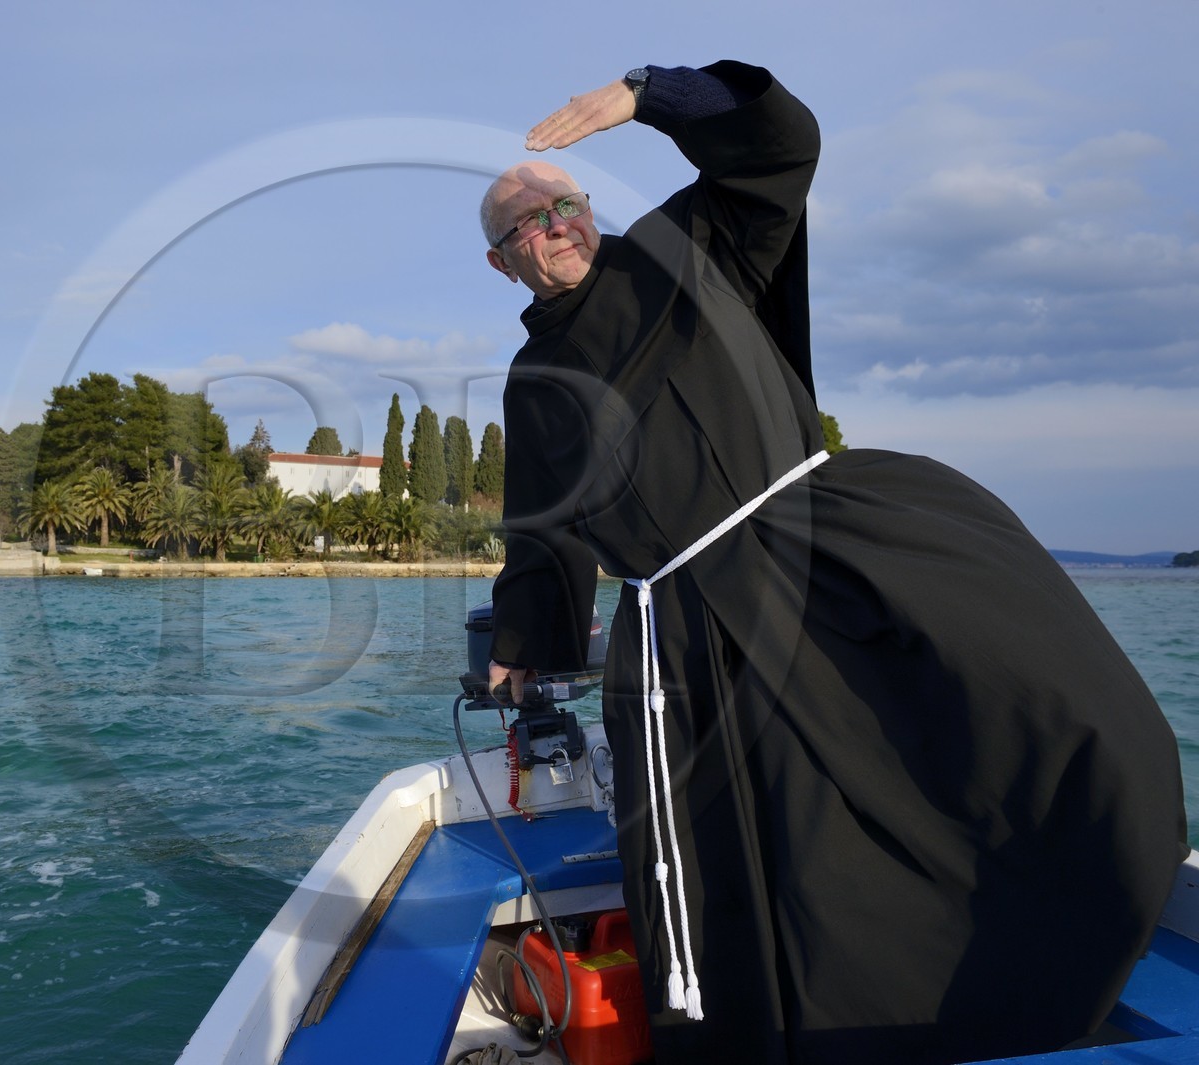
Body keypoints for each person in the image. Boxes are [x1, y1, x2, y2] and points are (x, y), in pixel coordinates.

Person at [483, 60, 1188, 1065]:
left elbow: (780, 149)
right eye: (527, 223)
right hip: (684, 639)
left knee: (1062, 720)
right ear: (500, 263)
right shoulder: (531, 379)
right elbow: (542, 530)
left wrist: (653, 96)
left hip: (819, 561)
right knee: (780, 856)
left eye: (565, 202)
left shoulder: (686, 246)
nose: (555, 223)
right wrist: (521, 642)